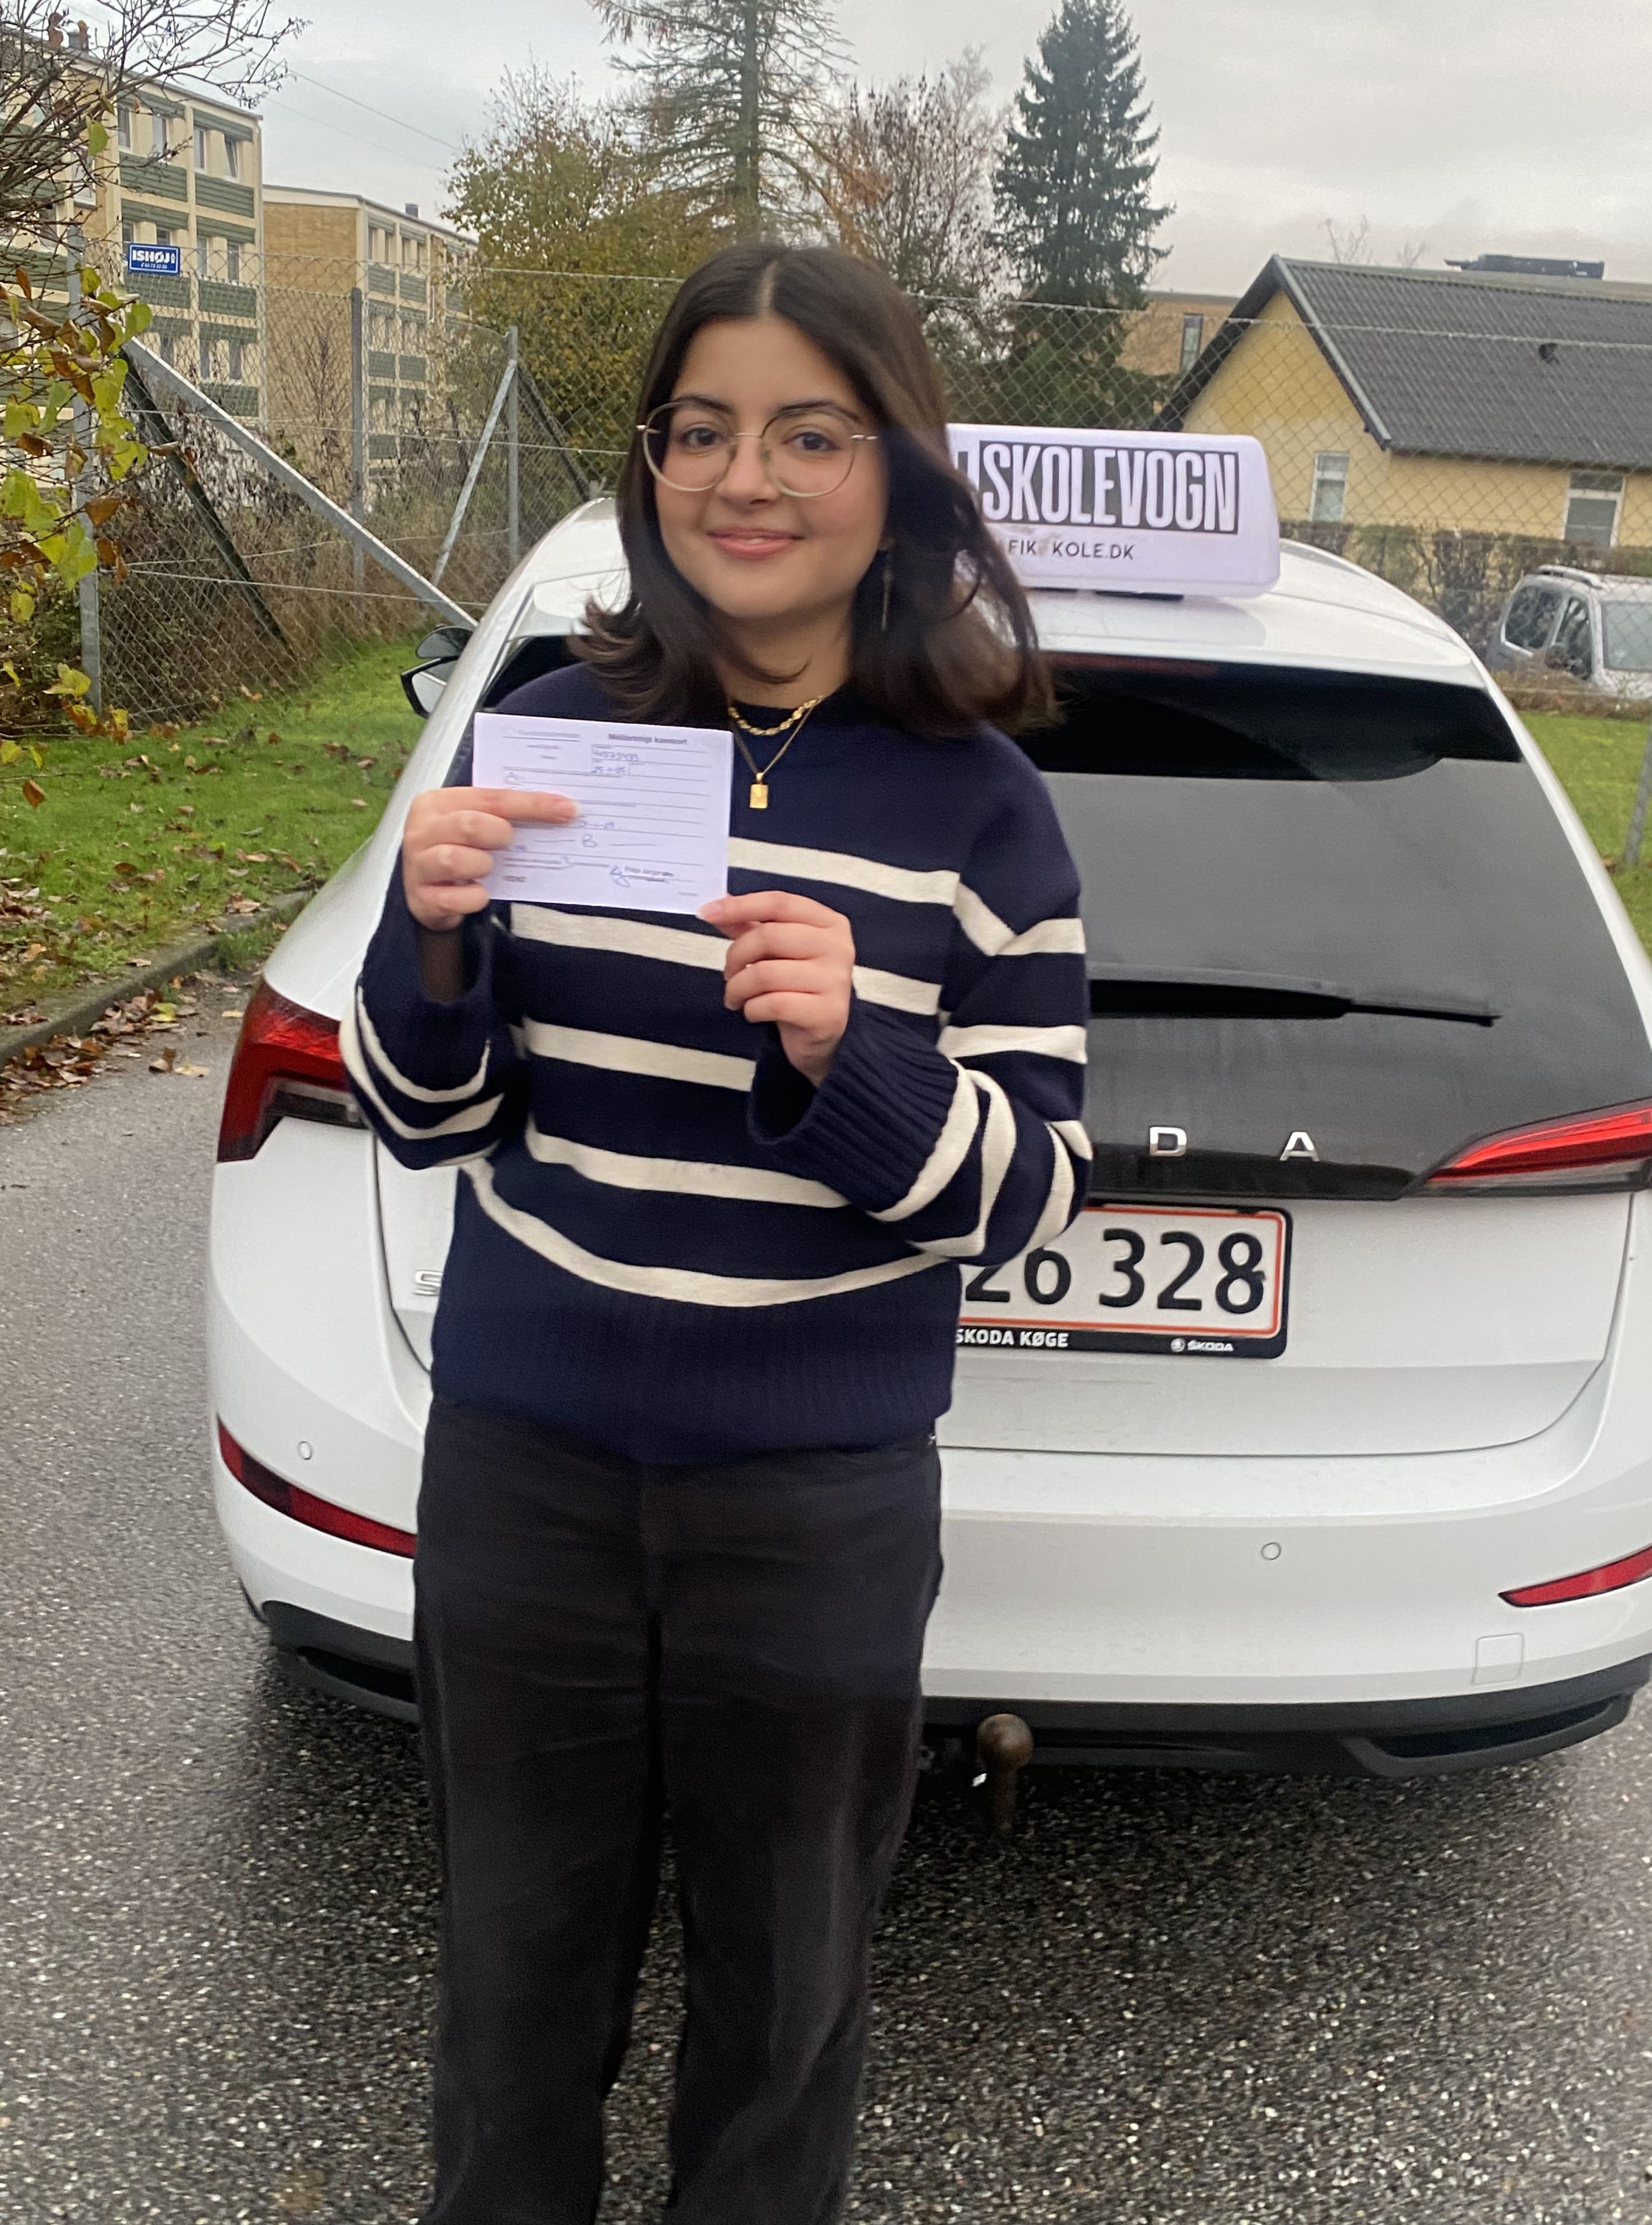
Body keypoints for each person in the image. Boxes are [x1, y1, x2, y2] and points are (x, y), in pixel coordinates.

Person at [341, 240, 1090, 2225]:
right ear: (653, 464)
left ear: (896, 474)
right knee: (512, 1990)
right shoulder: (546, 736)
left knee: (784, 2011)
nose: (745, 478)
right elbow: (425, 1118)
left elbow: (1032, 1195)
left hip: (815, 1503)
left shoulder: (985, 811)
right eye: (702, 430)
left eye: (808, 434)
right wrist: (430, 940)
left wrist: (857, 1054)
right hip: (527, 1475)